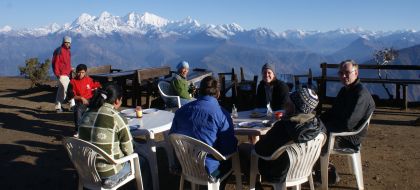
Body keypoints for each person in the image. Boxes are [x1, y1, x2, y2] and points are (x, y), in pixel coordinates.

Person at [78, 84, 152, 189]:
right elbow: (129, 150)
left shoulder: (86, 114)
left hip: (86, 170)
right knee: (142, 162)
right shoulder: (115, 117)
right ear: (117, 101)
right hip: (107, 173)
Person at [169, 76, 238, 184]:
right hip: (208, 170)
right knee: (234, 158)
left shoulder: (180, 111)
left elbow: (172, 137)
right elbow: (227, 149)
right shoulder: (222, 114)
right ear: (218, 94)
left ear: (199, 91)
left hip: (185, 165)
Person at [253, 88, 324, 188]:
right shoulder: (318, 125)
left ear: (296, 107)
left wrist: (255, 143)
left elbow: (260, 149)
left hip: (278, 172)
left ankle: (256, 185)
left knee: (243, 151)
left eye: (289, 101)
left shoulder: (283, 126)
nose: (285, 103)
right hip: (302, 168)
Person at [320, 59, 375, 151]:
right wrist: (317, 120)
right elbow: (333, 112)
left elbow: (348, 124)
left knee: (314, 139)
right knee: (310, 131)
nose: (343, 76)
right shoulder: (345, 90)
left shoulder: (360, 94)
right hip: (339, 130)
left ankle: (322, 165)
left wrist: (324, 126)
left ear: (356, 73)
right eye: (341, 73)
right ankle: (322, 164)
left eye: (347, 72)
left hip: (350, 137)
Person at [67, 64, 101, 136]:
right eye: (79, 72)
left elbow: (97, 85)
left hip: (91, 100)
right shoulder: (72, 82)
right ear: (76, 72)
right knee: (78, 110)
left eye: (82, 72)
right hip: (81, 102)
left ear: (85, 72)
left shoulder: (89, 80)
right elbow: (70, 95)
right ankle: (78, 130)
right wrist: (81, 98)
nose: (80, 74)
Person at [52, 36, 72, 112]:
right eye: (66, 42)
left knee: (61, 91)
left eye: (69, 43)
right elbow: (55, 63)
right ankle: (72, 106)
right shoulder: (59, 51)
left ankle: (58, 107)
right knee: (69, 89)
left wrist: (70, 69)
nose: (67, 44)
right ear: (63, 42)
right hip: (61, 74)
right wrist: (57, 74)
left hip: (66, 73)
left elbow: (66, 63)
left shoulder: (68, 52)